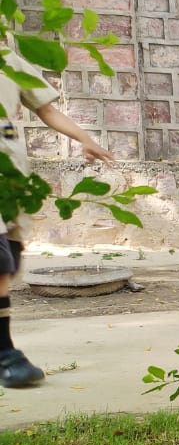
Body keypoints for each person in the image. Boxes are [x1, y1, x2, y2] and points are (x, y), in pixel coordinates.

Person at [0, 42, 113, 387]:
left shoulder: (8, 60)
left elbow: (45, 108)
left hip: (12, 181)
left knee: (11, 262)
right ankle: (6, 355)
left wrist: (84, 138)